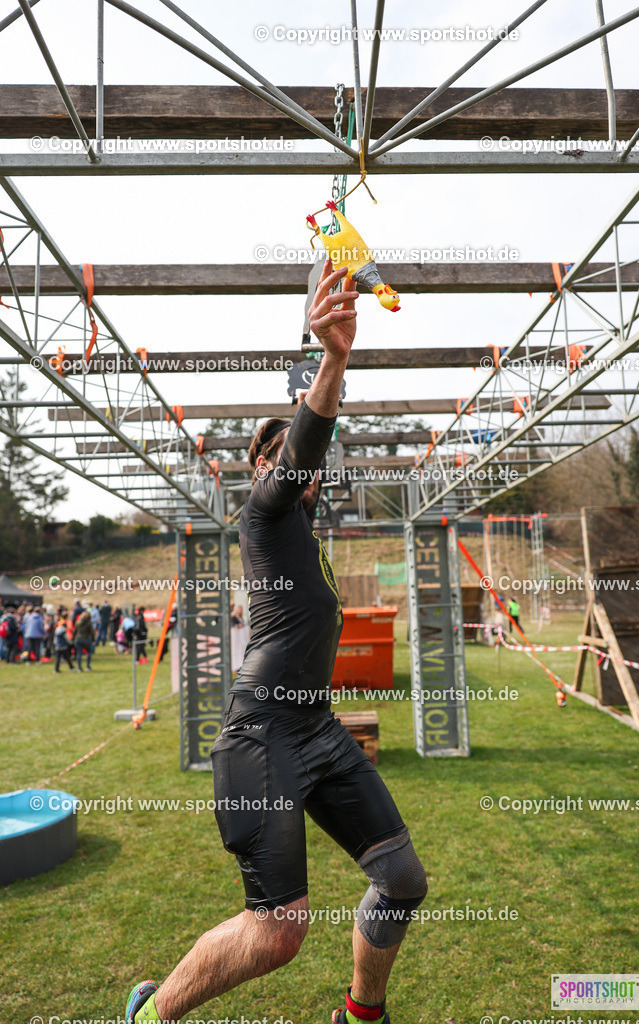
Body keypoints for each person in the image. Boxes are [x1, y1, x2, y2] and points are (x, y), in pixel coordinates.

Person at [125, 260, 427, 1024]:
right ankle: (148, 1012)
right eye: (281, 449)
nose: (296, 458)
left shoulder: (305, 538)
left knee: (400, 877)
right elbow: (302, 451)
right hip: (261, 733)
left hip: (316, 730)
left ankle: (361, 1014)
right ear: (262, 468)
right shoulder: (263, 512)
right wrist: (332, 359)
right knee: (278, 929)